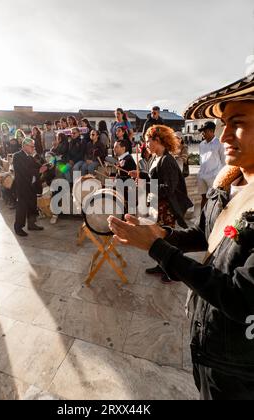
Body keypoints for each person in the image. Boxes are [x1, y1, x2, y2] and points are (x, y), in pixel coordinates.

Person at [108, 71, 254, 400]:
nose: (225, 135)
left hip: (239, 361)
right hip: (211, 343)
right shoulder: (226, 184)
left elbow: (241, 299)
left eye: (239, 122)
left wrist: (159, 248)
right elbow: (206, 234)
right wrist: (165, 234)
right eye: (224, 124)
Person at [130, 125, 193, 283]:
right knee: (158, 237)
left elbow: (168, 188)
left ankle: (170, 271)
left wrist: (145, 186)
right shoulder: (155, 157)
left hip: (167, 207)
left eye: (148, 141)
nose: (146, 145)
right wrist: (141, 174)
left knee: (167, 239)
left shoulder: (167, 160)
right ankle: (161, 265)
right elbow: (154, 177)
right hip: (158, 203)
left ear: (157, 140)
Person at [13, 138, 47, 237]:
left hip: (32, 186)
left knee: (32, 206)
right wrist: (39, 171)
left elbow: (37, 166)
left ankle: (32, 224)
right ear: (24, 146)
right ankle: (18, 228)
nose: (33, 148)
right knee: (22, 208)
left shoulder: (30, 157)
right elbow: (24, 171)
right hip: (22, 186)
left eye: (34, 146)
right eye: (31, 146)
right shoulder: (17, 156)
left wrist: (46, 165)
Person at [198, 121, 226, 209]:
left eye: (204, 131)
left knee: (215, 199)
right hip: (202, 176)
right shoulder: (201, 144)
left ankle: (213, 220)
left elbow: (224, 161)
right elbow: (201, 159)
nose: (202, 133)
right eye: (202, 131)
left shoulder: (220, 143)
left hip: (214, 177)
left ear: (211, 131)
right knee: (203, 197)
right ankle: (202, 220)